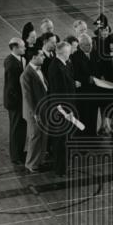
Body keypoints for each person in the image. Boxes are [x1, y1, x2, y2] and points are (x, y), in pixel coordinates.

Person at [46, 40, 78, 178]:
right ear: (64, 53)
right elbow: (58, 92)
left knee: (66, 138)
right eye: (69, 51)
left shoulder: (65, 63)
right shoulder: (55, 67)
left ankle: (65, 165)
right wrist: (67, 111)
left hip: (67, 106)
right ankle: (60, 169)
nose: (70, 54)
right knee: (60, 140)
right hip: (61, 109)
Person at [21, 50, 49, 173]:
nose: (44, 57)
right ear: (33, 57)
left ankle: (39, 161)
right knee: (35, 136)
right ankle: (31, 164)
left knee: (43, 136)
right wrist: (35, 114)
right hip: (35, 112)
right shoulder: (26, 75)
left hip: (44, 109)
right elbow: (27, 97)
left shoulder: (39, 70)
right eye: (41, 55)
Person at [4, 37, 28, 165]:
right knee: (15, 128)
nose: (25, 48)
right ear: (15, 48)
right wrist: (20, 100)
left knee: (21, 127)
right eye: (22, 46)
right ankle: (15, 156)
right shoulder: (11, 63)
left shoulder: (19, 59)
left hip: (19, 100)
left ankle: (19, 151)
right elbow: (12, 86)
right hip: (15, 102)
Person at [68, 35, 98, 135]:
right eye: (87, 45)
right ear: (80, 46)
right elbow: (75, 74)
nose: (90, 46)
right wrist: (87, 79)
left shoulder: (94, 53)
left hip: (94, 91)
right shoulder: (75, 57)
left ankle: (93, 135)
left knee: (93, 114)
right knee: (84, 115)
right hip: (83, 92)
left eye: (91, 44)